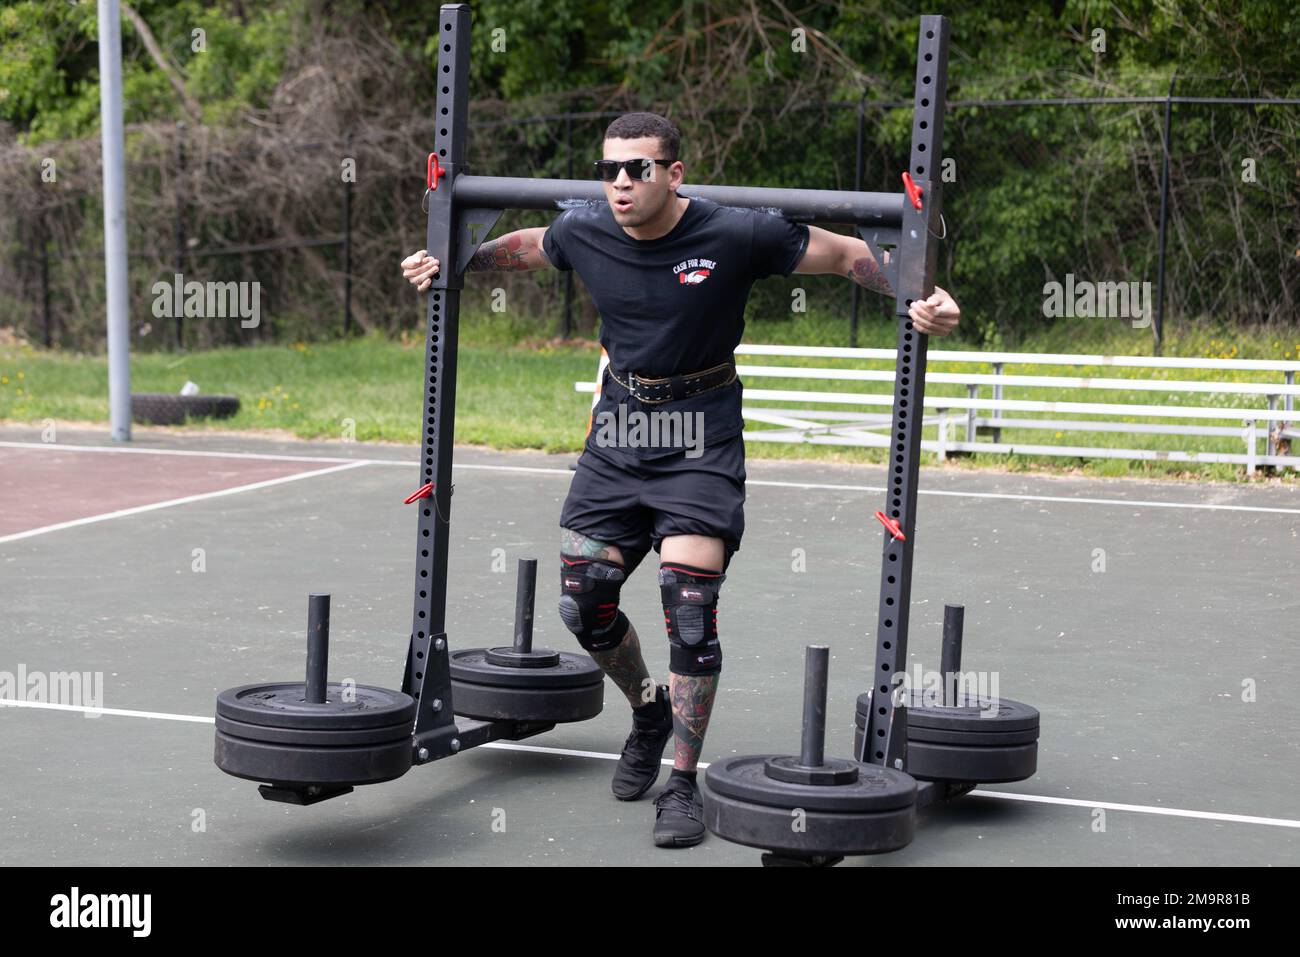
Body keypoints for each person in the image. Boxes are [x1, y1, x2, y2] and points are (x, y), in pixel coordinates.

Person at [401, 112, 960, 848]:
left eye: (639, 169)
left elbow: (844, 256)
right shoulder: (588, 229)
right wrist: (447, 258)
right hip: (622, 429)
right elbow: (527, 247)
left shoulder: (737, 234)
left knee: (688, 605)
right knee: (582, 599)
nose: (622, 183)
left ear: (675, 173)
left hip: (700, 430)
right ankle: (647, 708)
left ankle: (683, 781)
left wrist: (924, 292)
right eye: (610, 171)